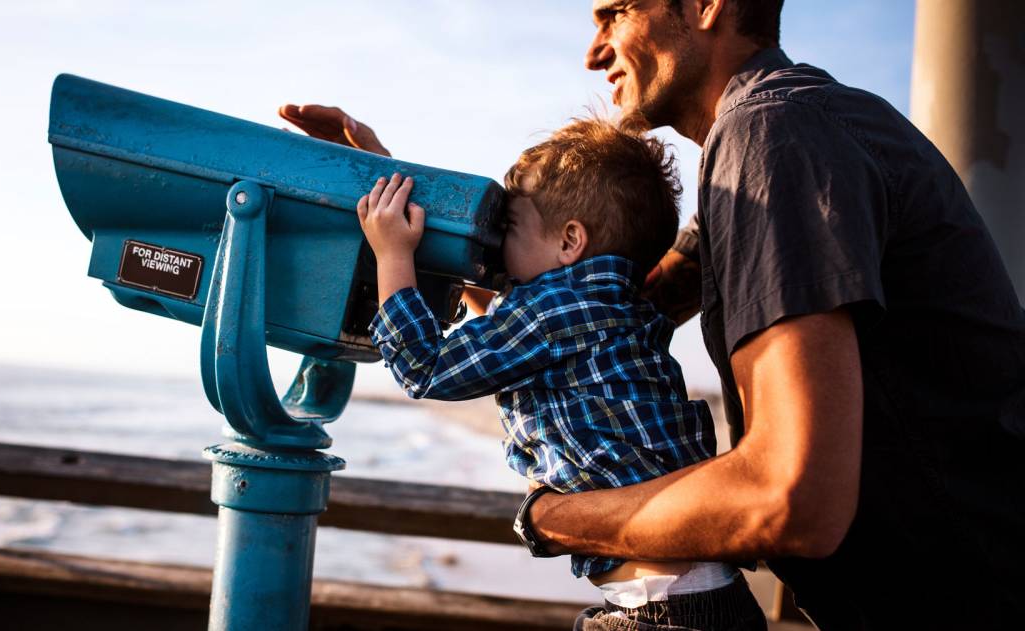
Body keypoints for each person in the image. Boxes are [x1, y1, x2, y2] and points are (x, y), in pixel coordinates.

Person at [281, 1, 1025, 627]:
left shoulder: (775, 140)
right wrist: (415, 211)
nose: (593, 48)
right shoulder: (767, 152)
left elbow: (793, 499)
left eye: (616, 10)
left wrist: (551, 519)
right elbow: (583, 311)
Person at [357, 118, 766, 630]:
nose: (496, 245)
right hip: (708, 597)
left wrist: (393, 255)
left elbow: (427, 367)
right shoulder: (614, 307)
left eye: (509, 228)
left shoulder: (553, 311)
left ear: (571, 240)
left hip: (658, 612)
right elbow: (524, 350)